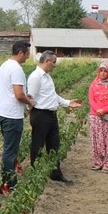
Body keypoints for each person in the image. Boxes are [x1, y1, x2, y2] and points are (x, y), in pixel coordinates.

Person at [26, 51, 82, 183]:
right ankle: (36, 173)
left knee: (54, 145)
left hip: (51, 115)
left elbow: (52, 95)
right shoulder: (36, 77)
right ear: (47, 61)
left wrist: (68, 103)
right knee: (38, 145)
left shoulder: (47, 77)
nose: (55, 65)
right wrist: (32, 113)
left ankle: (55, 173)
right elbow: (30, 98)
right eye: (54, 62)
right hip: (40, 115)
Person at [0, 41, 35, 189]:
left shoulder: (5, 65)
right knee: (10, 151)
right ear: (20, 53)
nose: (28, 56)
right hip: (12, 115)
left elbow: (13, 91)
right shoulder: (17, 69)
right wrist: (30, 101)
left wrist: (25, 95)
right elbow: (18, 95)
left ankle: (7, 181)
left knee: (8, 149)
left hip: (3, 113)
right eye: (27, 54)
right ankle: (9, 183)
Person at [88, 62, 108, 174]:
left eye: (105, 71)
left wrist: (104, 110)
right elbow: (91, 100)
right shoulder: (93, 84)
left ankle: (107, 164)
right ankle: (98, 162)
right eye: (101, 70)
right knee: (97, 139)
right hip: (96, 116)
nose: (102, 73)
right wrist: (98, 110)